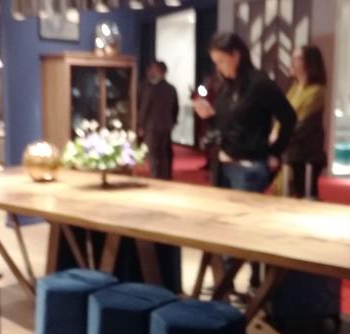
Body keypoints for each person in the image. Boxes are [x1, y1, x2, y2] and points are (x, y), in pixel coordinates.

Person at [194, 33, 296, 290]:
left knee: (245, 229)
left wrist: (275, 151)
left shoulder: (259, 84)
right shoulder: (228, 86)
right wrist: (210, 116)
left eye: (221, 61)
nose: (219, 67)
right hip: (225, 164)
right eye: (215, 62)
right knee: (226, 228)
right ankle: (227, 284)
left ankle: (243, 283)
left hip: (248, 167)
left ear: (236, 55)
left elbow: (289, 117)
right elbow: (228, 124)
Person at [274, 45, 328, 199]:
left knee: (303, 199)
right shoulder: (294, 88)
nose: (292, 62)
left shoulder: (317, 91)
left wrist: (278, 135)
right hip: (290, 152)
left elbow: (300, 123)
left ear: (309, 63)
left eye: (297, 58)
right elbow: (282, 116)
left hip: (305, 155)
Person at [138, 60, 179, 180]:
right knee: (165, 153)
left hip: (152, 127)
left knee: (154, 154)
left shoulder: (151, 89)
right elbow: (176, 108)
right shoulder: (171, 89)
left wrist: (141, 125)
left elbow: (145, 108)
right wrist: (173, 121)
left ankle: (156, 177)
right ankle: (166, 176)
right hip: (167, 126)